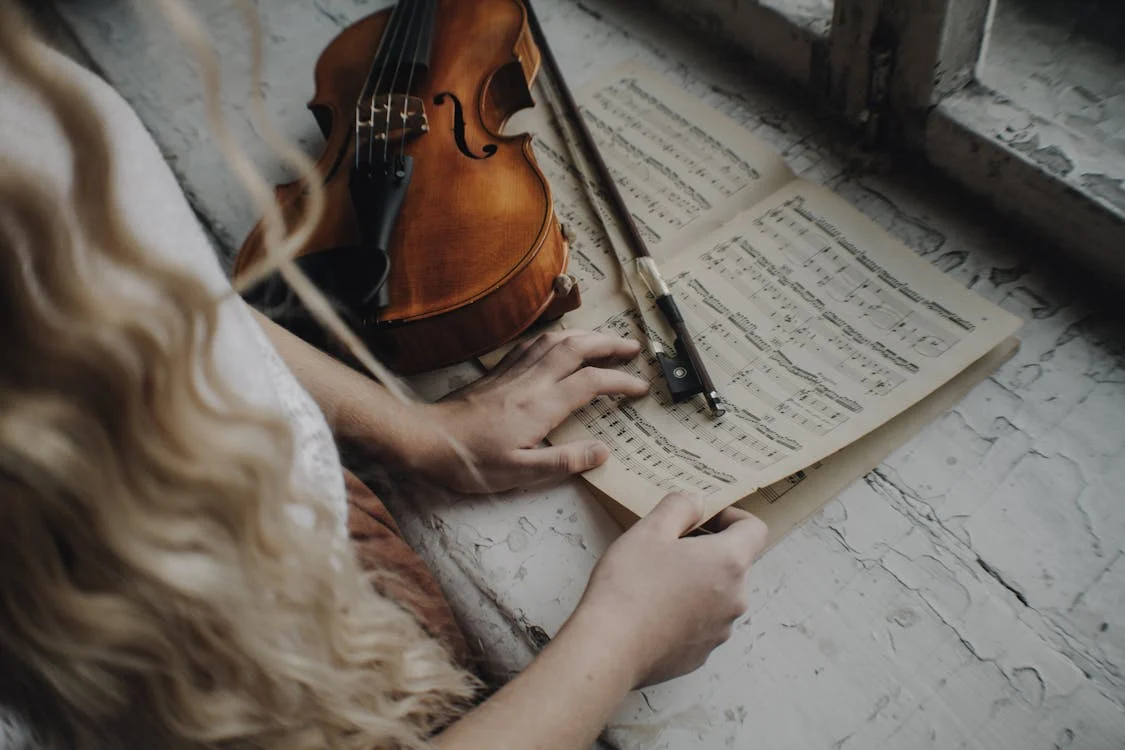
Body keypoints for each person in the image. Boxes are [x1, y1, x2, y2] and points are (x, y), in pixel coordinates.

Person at [0, 4, 769, 749]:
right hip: (249, 644)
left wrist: (417, 428)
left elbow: (162, 288)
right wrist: (622, 641)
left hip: (299, 514)